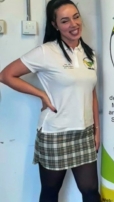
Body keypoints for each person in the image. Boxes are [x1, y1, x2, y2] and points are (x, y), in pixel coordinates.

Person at [0, 0, 101, 201]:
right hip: (55, 133)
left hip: (84, 133)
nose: (73, 24)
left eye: (76, 17)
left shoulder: (89, 54)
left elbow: (91, 92)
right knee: (50, 192)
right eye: (65, 21)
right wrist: (42, 94)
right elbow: (6, 75)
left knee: (90, 192)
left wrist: (97, 130)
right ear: (55, 25)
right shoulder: (46, 52)